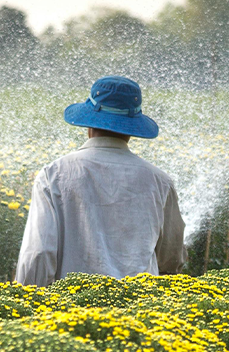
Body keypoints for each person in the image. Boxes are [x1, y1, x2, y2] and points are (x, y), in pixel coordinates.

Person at [14, 75, 186, 286]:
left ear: (89, 125)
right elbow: (171, 258)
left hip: (67, 309)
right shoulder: (160, 182)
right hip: (140, 310)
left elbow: (38, 254)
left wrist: (31, 304)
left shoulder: (54, 175)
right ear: (132, 129)